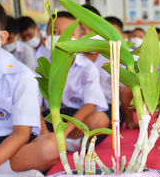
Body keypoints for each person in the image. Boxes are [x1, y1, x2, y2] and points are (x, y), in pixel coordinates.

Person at [0, 0, 59, 177]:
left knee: (51, 146)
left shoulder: (21, 75)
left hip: (11, 146)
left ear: (2, 37)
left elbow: (21, 134)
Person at [40, 11, 110, 151]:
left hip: (75, 120)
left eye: (69, 33)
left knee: (100, 119)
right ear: (45, 39)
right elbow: (35, 107)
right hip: (49, 119)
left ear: (79, 40)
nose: (61, 37)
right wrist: (46, 134)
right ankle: (58, 142)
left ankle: (68, 141)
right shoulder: (39, 66)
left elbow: (90, 105)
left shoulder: (88, 68)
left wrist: (63, 133)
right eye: (55, 32)